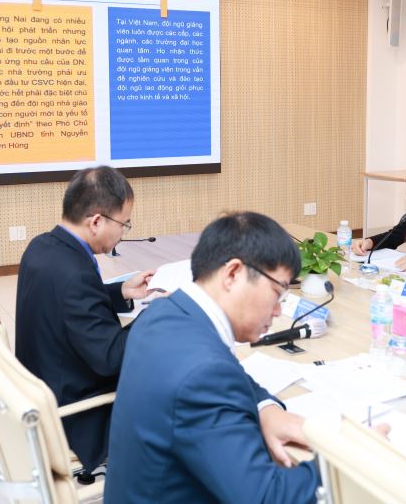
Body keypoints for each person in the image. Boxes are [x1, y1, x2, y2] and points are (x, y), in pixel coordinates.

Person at [104, 212, 320, 503]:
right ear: (232, 274)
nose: (279, 310)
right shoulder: (204, 374)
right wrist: (354, 460)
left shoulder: (163, 312)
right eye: (277, 292)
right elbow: (267, 496)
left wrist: (266, 408)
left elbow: (227, 371)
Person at [15, 166, 158, 480]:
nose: (124, 233)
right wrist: (159, 313)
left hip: (44, 380)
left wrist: (121, 291)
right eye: (124, 224)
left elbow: (69, 302)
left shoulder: (42, 246)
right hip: (76, 410)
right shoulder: (75, 274)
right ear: (96, 221)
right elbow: (112, 358)